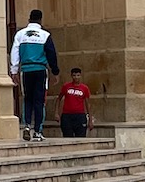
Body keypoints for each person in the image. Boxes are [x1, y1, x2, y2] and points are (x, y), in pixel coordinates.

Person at [10, 9, 59, 141]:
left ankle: (26, 125)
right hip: (40, 70)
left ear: (29, 19)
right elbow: (51, 54)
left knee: (27, 99)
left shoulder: (20, 34)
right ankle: (38, 131)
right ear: (40, 20)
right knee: (39, 101)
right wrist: (55, 71)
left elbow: (15, 52)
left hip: (26, 70)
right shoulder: (45, 35)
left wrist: (14, 71)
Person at [59, 67, 92, 139]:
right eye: (74, 75)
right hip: (67, 115)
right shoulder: (66, 86)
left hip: (80, 115)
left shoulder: (84, 88)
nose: (76, 77)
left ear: (80, 76)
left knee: (80, 137)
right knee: (67, 136)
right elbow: (59, 99)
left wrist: (90, 120)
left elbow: (87, 104)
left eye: (78, 75)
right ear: (71, 76)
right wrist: (56, 113)